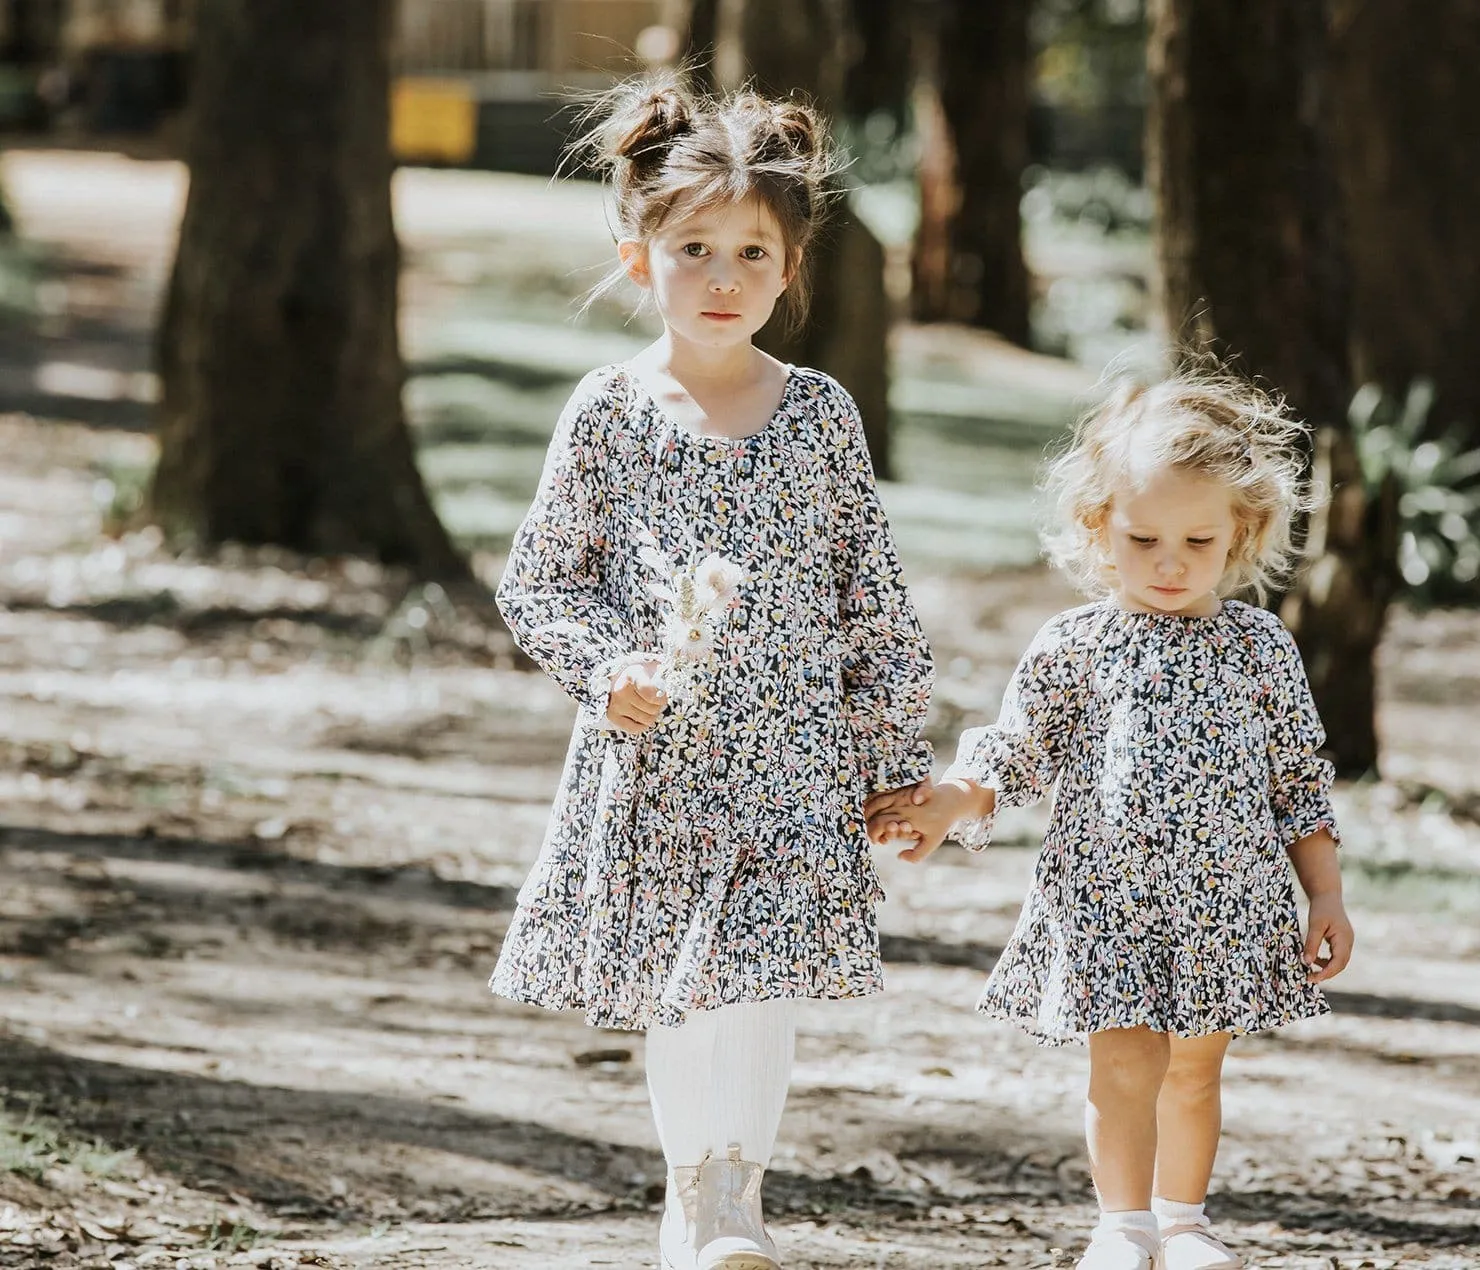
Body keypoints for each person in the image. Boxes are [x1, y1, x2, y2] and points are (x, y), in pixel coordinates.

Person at [492, 73, 934, 1270]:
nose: (723, 276)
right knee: (681, 979)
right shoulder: (610, 413)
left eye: (752, 250)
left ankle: (733, 1200)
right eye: (693, 248)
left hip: (794, 756)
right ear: (642, 258)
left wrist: (895, 764)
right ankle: (693, 1199)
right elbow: (538, 582)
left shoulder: (821, 416)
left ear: (790, 271)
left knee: (759, 981)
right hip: (659, 756)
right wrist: (606, 667)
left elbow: (872, 601)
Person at [866, 367, 1355, 1270]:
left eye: (1198, 541)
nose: (1170, 562)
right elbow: (1010, 754)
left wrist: (1323, 894)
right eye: (1144, 539)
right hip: (1109, 904)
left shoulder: (1261, 650)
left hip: (1226, 907)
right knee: (1125, 1066)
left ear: (1240, 534)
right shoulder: (1074, 645)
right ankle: (1123, 1226)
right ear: (1100, 529)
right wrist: (940, 807)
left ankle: (1185, 1220)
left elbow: (1298, 783)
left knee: (1196, 1068)